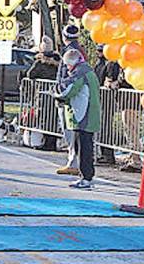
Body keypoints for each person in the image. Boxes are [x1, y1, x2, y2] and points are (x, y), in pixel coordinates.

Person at [54, 49, 100, 189]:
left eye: (67, 65)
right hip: (88, 113)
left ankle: (86, 178)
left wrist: (56, 92)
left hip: (83, 114)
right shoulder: (88, 71)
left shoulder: (80, 73)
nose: (67, 68)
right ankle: (85, 176)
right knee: (84, 146)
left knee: (84, 148)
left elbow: (68, 90)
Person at [55, 24, 85, 176]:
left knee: (70, 130)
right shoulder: (79, 50)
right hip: (70, 95)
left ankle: (73, 162)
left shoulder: (71, 52)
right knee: (71, 130)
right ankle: (73, 160)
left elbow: (69, 76)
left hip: (68, 97)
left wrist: (61, 92)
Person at [25, 36, 61, 151]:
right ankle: (52, 142)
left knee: (44, 118)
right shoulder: (58, 62)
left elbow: (30, 74)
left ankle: (48, 143)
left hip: (43, 95)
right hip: (55, 94)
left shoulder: (40, 63)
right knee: (53, 118)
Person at [95, 45, 119, 165]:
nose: (98, 52)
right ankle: (103, 153)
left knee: (106, 127)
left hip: (107, 100)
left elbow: (110, 80)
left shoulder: (111, 64)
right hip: (100, 98)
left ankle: (108, 155)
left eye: (100, 50)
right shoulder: (100, 63)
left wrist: (109, 83)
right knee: (102, 127)